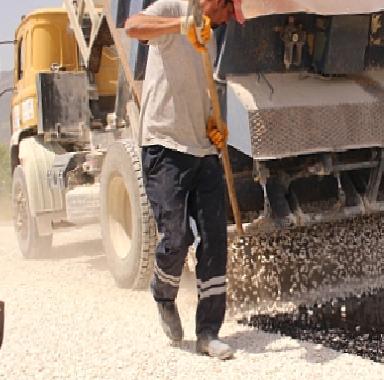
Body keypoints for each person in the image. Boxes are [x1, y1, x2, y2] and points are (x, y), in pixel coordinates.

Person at [125, 0, 235, 359]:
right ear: (217, 1)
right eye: (229, 10)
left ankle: (208, 332)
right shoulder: (173, 7)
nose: (230, 19)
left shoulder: (210, 35)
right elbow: (132, 26)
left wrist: (215, 124)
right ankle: (163, 293)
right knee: (175, 236)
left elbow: (204, 90)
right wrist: (179, 24)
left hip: (202, 149)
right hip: (164, 145)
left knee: (215, 239)